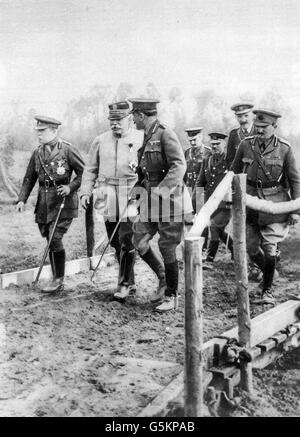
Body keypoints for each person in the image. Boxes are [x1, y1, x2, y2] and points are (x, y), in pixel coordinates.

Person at [129, 98, 193, 312]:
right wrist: (136, 192)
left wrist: (162, 191)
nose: (132, 120)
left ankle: (171, 295)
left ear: (140, 115)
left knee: (167, 246)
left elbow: (179, 165)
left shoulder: (166, 133)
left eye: (133, 116)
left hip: (170, 200)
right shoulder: (147, 136)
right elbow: (145, 171)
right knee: (139, 239)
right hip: (149, 198)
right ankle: (163, 276)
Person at [231, 109, 300, 304]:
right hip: (251, 203)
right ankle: (271, 273)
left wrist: (295, 210)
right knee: (251, 247)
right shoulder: (245, 145)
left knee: (270, 248)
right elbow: (234, 173)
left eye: (264, 127)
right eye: (257, 127)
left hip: (276, 204)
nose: (259, 131)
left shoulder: (285, 148)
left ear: (274, 127)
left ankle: (267, 291)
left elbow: (295, 180)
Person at [80, 101, 144, 301]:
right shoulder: (100, 140)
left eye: (119, 120)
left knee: (127, 239)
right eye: (112, 120)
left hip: (131, 193)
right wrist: (85, 192)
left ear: (130, 119)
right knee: (115, 240)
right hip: (106, 194)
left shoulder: (141, 139)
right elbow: (90, 168)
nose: (115, 124)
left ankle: (124, 284)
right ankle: (130, 281)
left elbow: (147, 169)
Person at [16, 115, 85, 293]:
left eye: (42, 131)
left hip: (63, 202)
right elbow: (29, 178)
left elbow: (83, 173)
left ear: (54, 131)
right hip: (44, 202)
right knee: (49, 237)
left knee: (55, 238)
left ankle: (58, 280)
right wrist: (22, 199)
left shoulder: (68, 150)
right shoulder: (37, 152)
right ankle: (57, 277)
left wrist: (70, 187)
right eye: (37, 131)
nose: (38, 135)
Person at [194, 132, 233, 269]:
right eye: (213, 144)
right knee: (218, 230)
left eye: (218, 144)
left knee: (214, 226)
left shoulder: (230, 160)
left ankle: (210, 259)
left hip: (225, 203)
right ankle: (234, 249)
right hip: (209, 202)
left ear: (224, 144)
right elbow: (200, 181)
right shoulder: (207, 160)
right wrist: (197, 202)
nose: (215, 146)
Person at [183, 127, 211, 256]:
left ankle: (204, 249)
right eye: (190, 140)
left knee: (201, 220)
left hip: (201, 191)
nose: (193, 143)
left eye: (195, 140)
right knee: (188, 219)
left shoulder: (208, 152)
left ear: (201, 137)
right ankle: (192, 246)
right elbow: (183, 172)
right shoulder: (187, 152)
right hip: (189, 189)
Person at [226, 103, 256, 167]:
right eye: (239, 116)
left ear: (253, 115)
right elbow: (229, 159)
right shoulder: (233, 134)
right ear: (236, 117)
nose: (243, 120)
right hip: (238, 175)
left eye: (246, 115)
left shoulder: (259, 132)